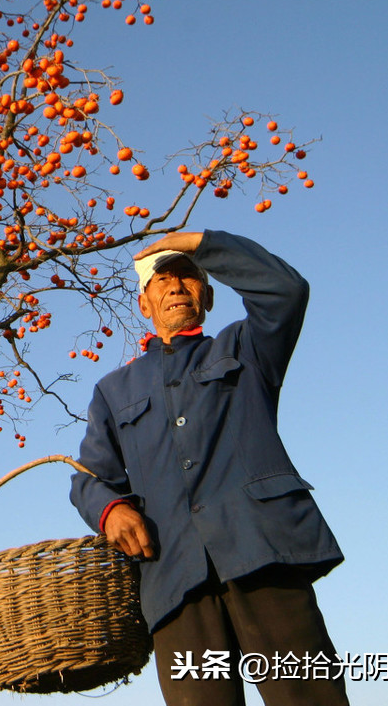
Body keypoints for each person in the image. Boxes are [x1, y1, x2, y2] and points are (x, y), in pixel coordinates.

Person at [70, 230, 347, 705]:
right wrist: (109, 509)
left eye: (189, 277)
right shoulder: (113, 390)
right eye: (163, 280)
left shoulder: (245, 348)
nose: (176, 286)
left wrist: (202, 243)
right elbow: (90, 477)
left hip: (262, 552)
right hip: (174, 578)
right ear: (144, 304)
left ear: (209, 295)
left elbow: (286, 290)